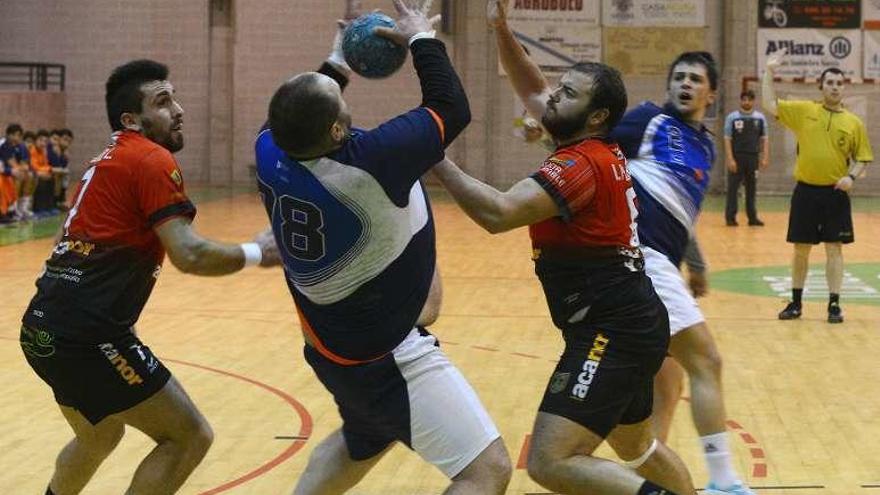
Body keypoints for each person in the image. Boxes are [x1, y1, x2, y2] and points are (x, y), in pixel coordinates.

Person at [433, 3, 700, 495]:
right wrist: (501, 31)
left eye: (568, 94)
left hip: (610, 331)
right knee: (639, 450)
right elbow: (532, 86)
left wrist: (436, 161)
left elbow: (498, 213)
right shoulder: (590, 143)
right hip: (631, 321)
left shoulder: (579, 165)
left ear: (596, 115)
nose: (552, 99)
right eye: (559, 89)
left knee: (550, 461)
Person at [255, 1, 511, 494]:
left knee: (366, 436)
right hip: (387, 354)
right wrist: (421, 39)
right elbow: (451, 108)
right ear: (336, 130)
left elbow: (298, 108)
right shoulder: (374, 163)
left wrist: (338, 62)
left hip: (331, 345)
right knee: (486, 470)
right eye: (338, 98)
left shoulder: (269, 149)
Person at [20, 59, 278, 495]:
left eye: (174, 98)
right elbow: (190, 253)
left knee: (99, 434)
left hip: (41, 328)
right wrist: (260, 252)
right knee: (189, 436)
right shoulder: (150, 159)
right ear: (131, 120)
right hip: (86, 334)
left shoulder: (102, 162)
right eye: (163, 102)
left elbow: (67, 245)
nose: (178, 109)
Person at [609, 52, 755, 495]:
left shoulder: (706, 146)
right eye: (678, 77)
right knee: (706, 361)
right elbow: (589, 147)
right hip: (641, 258)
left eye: (694, 78)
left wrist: (697, 262)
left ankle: (647, 478)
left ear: (712, 93)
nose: (685, 84)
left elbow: (677, 211)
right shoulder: (648, 121)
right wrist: (544, 131)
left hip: (661, 265)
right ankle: (724, 481)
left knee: (667, 378)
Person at [762, 52, 873, 324]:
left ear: (843, 88)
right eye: (830, 82)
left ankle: (834, 305)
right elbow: (769, 104)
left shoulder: (853, 123)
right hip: (806, 193)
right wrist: (768, 71)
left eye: (839, 82)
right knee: (801, 249)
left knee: (834, 249)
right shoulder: (805, 111)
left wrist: (852, 178)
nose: (835, 86)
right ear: (821, 87)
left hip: (835, 195)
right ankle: (796, 303)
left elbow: (863, 158)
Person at [724, 89, 769, 226]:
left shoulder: (760, 118)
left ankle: (752, 218)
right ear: (740, 100)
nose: (746, 102)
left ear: (753, 101)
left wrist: (765, 156)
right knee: (733, 188)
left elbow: (765, 139)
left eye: (749, 99)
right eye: (744, 99)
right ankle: (730, 218)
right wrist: (730, 159)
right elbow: (727, 139)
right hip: (737, 157)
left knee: (751, 188)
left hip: (753, 158)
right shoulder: (732, 117)